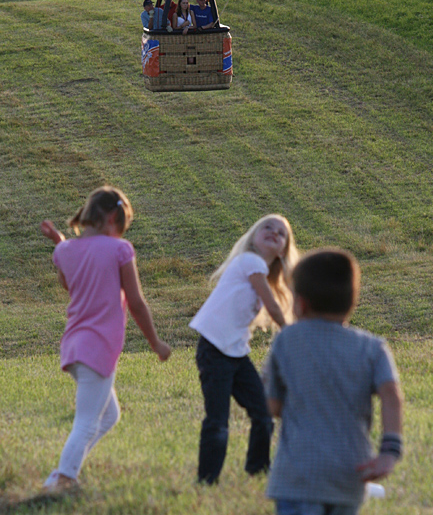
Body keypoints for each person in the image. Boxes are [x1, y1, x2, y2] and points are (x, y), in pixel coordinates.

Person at [39, 186, 171, 495]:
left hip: (74, 346)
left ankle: (63, 472)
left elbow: (75, 281)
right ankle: (63, 480)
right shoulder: (120, 249)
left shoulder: (64, 251)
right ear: (113, 218)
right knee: (86, 421)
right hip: (99, 346)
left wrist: (60, 241)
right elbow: (136, 303)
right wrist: (156, 343)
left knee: (109, 415)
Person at [265, 249, 403, 515]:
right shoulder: (373, 347)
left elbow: (272, 405)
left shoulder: (287, 340)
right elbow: (391, 395)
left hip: (297, 478)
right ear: (352, 301)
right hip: (350, 477)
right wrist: (389, 451)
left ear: (300, 303)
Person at [189, 214, 299, 485]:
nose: (274, 232)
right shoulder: (249, 261)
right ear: (253, 236)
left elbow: (276, 302)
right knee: (218, 420)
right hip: (214, 350)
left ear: (285, 248)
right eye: (267, 227)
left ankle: (258, 470)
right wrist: (294, 333)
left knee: (263, 413)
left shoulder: (261, 270)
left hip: (235, 353)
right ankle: (206, 480)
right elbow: (273, 306)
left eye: (281, 233)